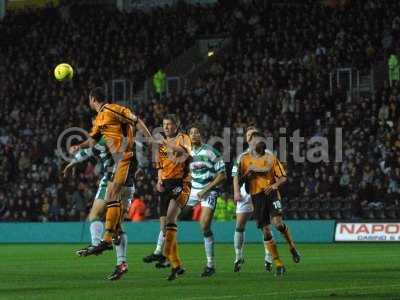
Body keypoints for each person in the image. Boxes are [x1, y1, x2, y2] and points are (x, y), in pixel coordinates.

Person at [69, 87, 154, 279]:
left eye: (89, 100)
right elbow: (92, 141)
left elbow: (136, 119)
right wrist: (78, 146)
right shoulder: (99, 119)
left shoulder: (112, 109)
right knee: (117, 220)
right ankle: (119, 262)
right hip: (120, 161)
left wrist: (149, 138)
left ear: (93, 99)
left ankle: (104, 241)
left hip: (126, 156)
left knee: (112, 192)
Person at [63, 135, 136, 280]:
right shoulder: (124, 134)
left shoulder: (107, 134)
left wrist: (75, 154)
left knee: (95, 215)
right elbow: (90, 150)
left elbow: (88, 148)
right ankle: (121, 263)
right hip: (129, 183)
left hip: (113, 180)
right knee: (117, 227)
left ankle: (97, 244)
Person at [232, 128, 300, 276]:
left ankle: (292, 246)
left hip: (272, 193)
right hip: (256, 196)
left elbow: (282, 176)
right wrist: (245, 177)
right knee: (266, 230)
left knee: (278, 223)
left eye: (258, 139)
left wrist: (274, 185)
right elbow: (239, 178)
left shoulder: (270, 157)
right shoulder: (243, 158)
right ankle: (278, 263)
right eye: (253, 139)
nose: (256, 142)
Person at [150, 114, 192, 281]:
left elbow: (185, 153)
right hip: (165, 184)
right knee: (164, 227)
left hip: (181, 182)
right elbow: (159, 165)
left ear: (177, 125)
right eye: (164, 124)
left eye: (169, 124)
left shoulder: (184, 138)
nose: (166, 127)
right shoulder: (161, 147)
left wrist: (165, 142)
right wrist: (159, 179)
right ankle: (175, 264)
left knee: (170, 220)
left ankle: (166, 257)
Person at [186, 124, 226, 277]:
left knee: (204, 225)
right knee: (171, 217)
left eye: (197, 132)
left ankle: (210, 264)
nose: (194, 134)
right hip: (194, 190)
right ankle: (164, 255)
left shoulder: (211, 152)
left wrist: (206, 189)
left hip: (209, 190)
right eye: (191, 132)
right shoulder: (188, 152)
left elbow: (222, 175)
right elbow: (190, 172)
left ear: (201, 135)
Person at [232, 126, 272, 273]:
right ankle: (238, 257)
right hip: (246, 193)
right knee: (239, 225)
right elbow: (235, 176)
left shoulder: (267, 154)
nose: (251, 138)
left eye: (254, 135)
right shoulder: (241, 157)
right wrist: (236, 192)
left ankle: (268, 256)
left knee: (265, 227)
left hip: (261, 193)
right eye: (249, 136)